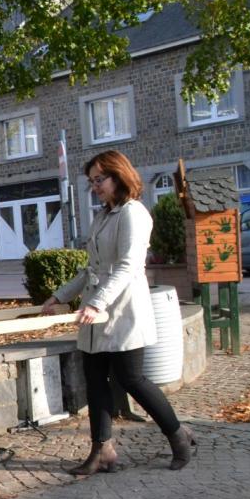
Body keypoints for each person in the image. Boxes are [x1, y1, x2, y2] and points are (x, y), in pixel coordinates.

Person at [42, 150, 194, 474]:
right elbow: (90, 270)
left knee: (132, 379)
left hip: (123, 312)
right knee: (95, 380)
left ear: (118, 176)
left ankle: (178, 436)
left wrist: (98, 302)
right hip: (96, 317)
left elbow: (127, 267)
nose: (95, 186)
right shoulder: (104, 215)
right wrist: (59, 295)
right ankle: (102, 451)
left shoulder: (133, 214)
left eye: (100, 179)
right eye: (92, 181)